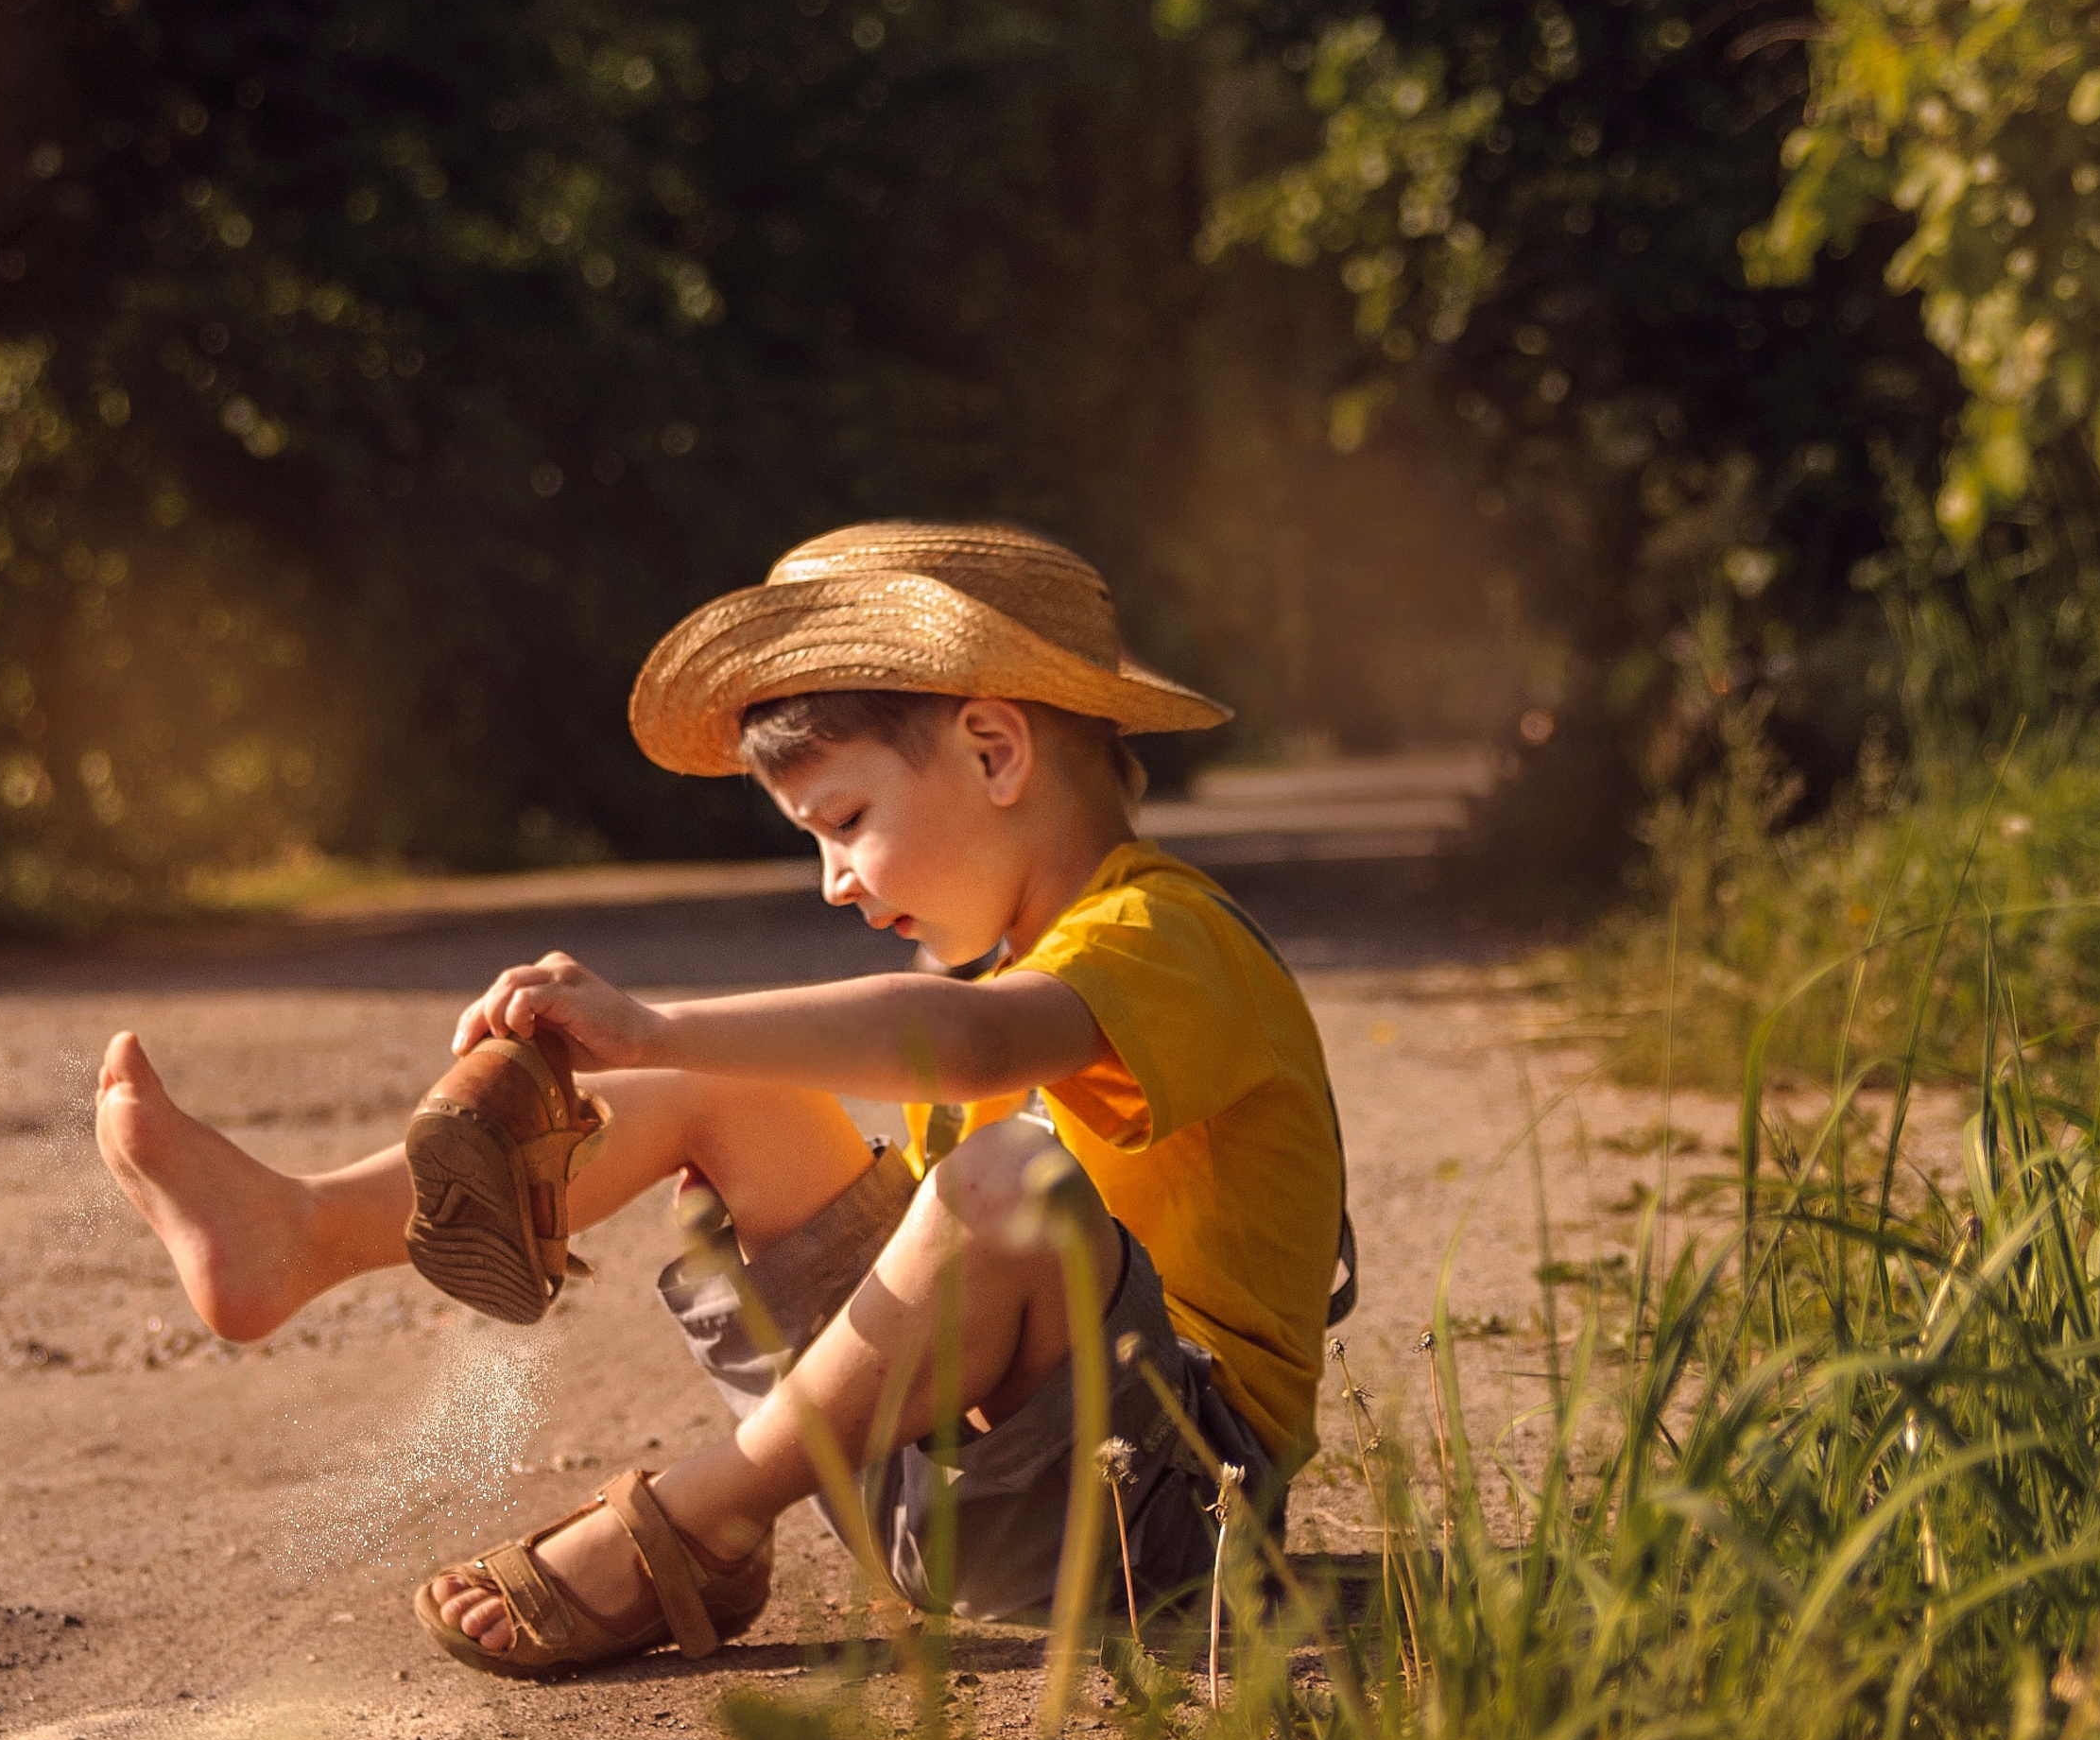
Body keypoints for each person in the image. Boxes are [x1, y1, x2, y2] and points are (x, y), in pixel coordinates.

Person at [95, 521, 1349, 1677]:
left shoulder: (1167, 932)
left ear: (994, 747)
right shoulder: (1014, 961)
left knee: (1004, 1178)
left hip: (1167, 1514)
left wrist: (648, 1023)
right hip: (942, 1472)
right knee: (725, 1082)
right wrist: (682, 1103)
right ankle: (301, 1234)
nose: (832, 882)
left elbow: (967, 1044)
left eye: (844, 821)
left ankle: (701, 1514)